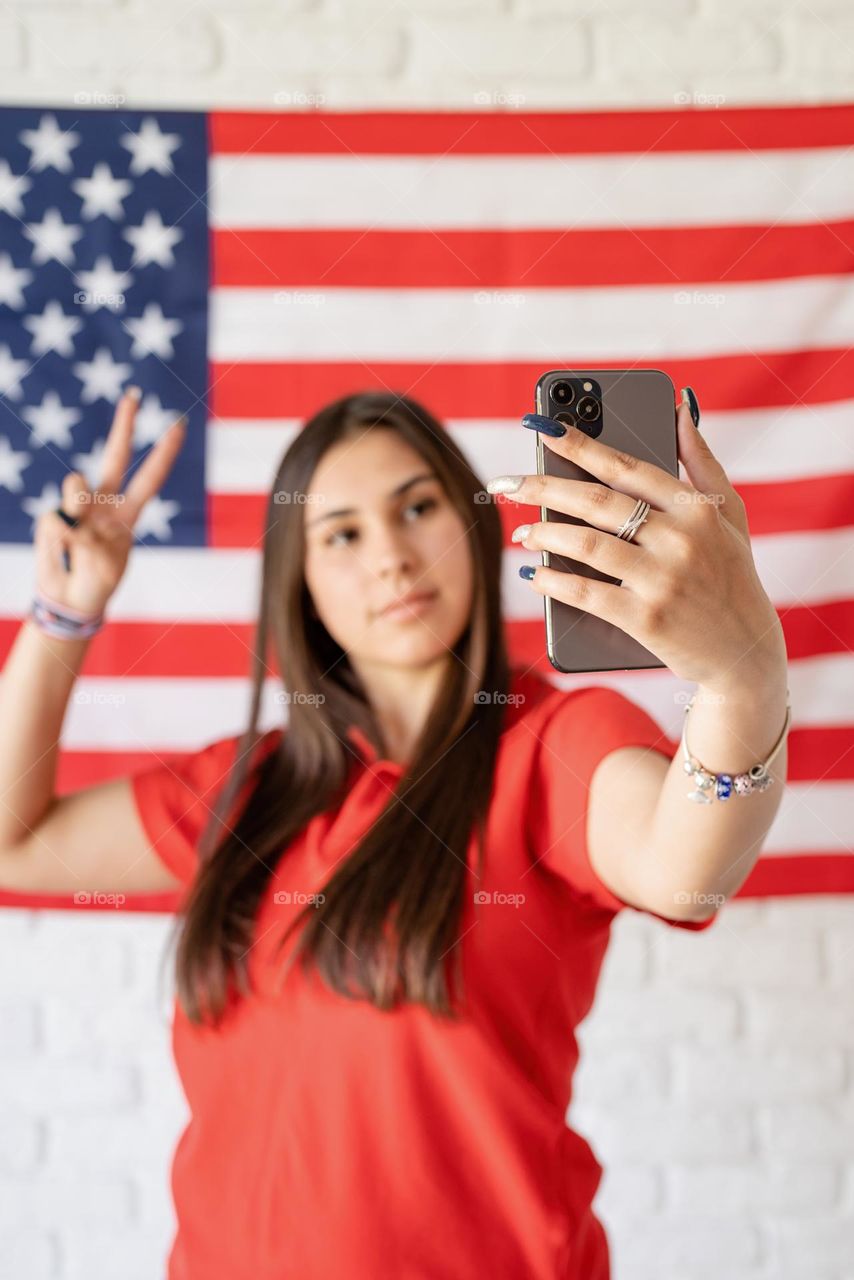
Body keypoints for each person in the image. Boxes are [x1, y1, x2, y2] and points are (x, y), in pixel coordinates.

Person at [0, 386, 790, 1279]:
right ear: (298, 579)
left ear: (474, 522)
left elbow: (686, 867)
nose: (392, 557)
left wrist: (742, 681)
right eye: (341, 533)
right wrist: (63, 616)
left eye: (417, 508)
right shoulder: (248, 787)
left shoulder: (551, 746)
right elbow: (13, 838)